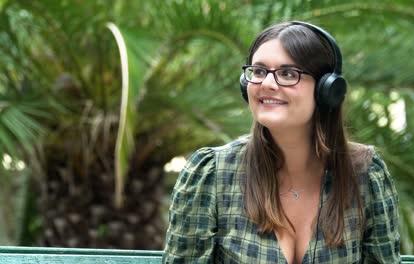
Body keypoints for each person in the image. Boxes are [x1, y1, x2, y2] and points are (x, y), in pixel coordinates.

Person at [163, 21, 400, 263]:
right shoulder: (211, 174)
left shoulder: (366, 175)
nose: (266, 83)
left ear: (326, 90)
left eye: (288, 74)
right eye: (258, 71)